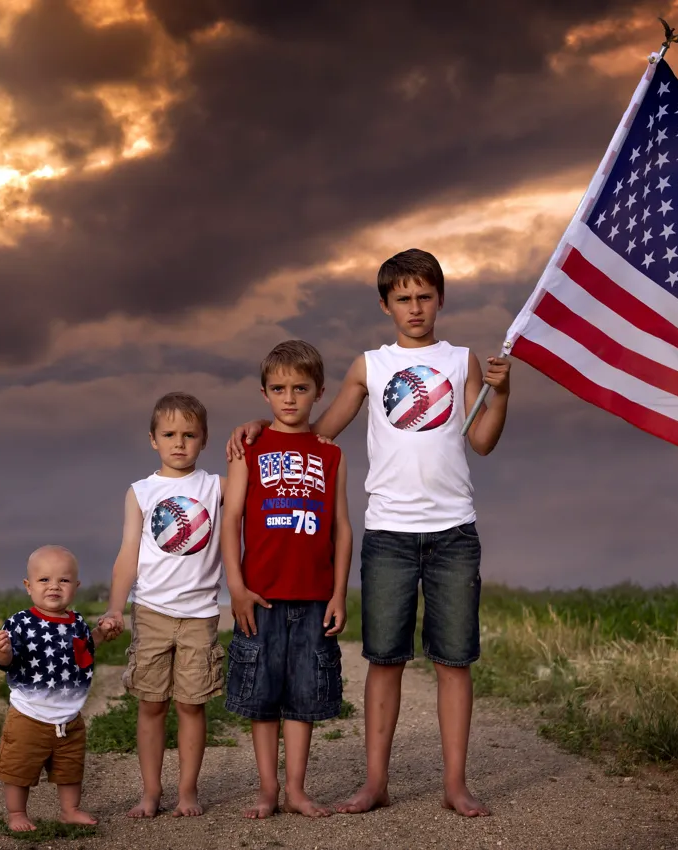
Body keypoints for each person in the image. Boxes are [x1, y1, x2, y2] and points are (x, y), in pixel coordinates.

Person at [227, 249, 512, 817]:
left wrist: (500, 394)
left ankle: (455, 785)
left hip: (453, 529)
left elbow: (481, 441)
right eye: (403, 298)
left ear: (440, 299)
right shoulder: (370, 366)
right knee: (384, 659)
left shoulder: (461, 361)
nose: (415, 308)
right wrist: (262, 426)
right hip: (388, 533)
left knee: (454, 661)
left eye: (424, 297)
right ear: (386, 305)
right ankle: (375, 782)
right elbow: (317, 433)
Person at [221, 340, 352, 819]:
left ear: (319, 392)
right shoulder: (249, 448)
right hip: (261, 596)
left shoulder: (330, 454)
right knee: (262, 698)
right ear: (264, 393)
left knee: (303, 697)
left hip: (315, 596)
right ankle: (268, 790)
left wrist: (339, 593)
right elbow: (231, 518)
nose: (290, 398)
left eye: (300, 388)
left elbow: (342, 528)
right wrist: (236, 588)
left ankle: (296, 789)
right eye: (279, 389)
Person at [99, 392, 227, 819]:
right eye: (169, 434)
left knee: (191, 704)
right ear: (153, 439)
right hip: (152, 612)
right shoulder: (141, 492)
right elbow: (128, 554)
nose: (179, 443)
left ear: (204, 439)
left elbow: (255, 474)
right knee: (152, 704)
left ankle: (187, 790)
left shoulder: (215, 486)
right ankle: (151, 792)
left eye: (189, 434)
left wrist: (257, 430)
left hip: (199, 614)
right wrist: (115, 608)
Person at [0, 544, 114, 832]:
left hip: (69, 717)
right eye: (44, 579)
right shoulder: (21, 622)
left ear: (76, 587)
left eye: (64, 580)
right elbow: (4, 663)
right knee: (19, 768)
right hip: (28, 714)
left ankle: (70, 810)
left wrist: (101, 633)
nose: (54, 586)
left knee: (70, 768)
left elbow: (85, 650)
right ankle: (17, 813)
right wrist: (3, 651)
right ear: (29, 586)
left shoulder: (77, 623)